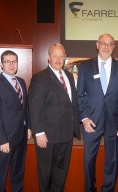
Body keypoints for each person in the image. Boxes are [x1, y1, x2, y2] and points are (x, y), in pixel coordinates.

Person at [77, 33, 118, 192]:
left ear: (114, 47)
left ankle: (108, 189)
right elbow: (80, 94)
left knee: (112, 161)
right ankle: (89, 188)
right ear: (97, 45)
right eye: (103, 43)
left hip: (115, 122)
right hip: (91, 121)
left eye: (110, 44)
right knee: (88, 160)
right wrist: (84, 118)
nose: (106, 47)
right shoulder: (86, 67)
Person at [28, 43, 81, 191]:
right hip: (47, 137)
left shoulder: (69, 76)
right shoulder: (40, 78)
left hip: (66, 134)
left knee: (61, 173)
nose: (58, 59)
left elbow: (72, 103)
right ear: (48, 58)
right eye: (55, 56)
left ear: (65, 58)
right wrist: (38, 133)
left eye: (61, 56)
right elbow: (34, 107)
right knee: (46, 174)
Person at [0, 50, 31, 191]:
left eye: (14, 61)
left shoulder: (21, 82)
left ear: (17, 64)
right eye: (7, 61)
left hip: (21, 136)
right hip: (4, 139)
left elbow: (25, 107)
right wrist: (3, 140)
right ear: (1, 64)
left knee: (18, 172)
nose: (11, 64)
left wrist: (28, 127)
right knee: (1, 173)